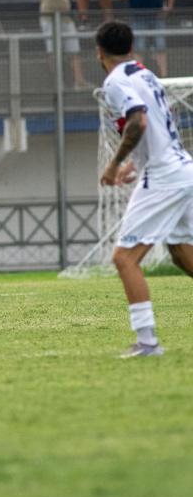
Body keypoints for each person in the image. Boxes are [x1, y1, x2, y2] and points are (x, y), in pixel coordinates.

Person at [95, 21, 193, 358]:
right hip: (182, 168)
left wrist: (113, 164)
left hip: (165, 177)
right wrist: (133, 164)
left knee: (124, 258)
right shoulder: (146, 74)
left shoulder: (115, 81)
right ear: (131, 47)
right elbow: (159, 130)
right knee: (181, 252)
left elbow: (138, 120)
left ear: (98, 52)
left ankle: (148, 342)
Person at [38, 0, 90, 89]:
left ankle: (79, 82)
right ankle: (58, 84)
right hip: (50, 19)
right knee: (53, 52)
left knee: (74, 51)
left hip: (65, 19)